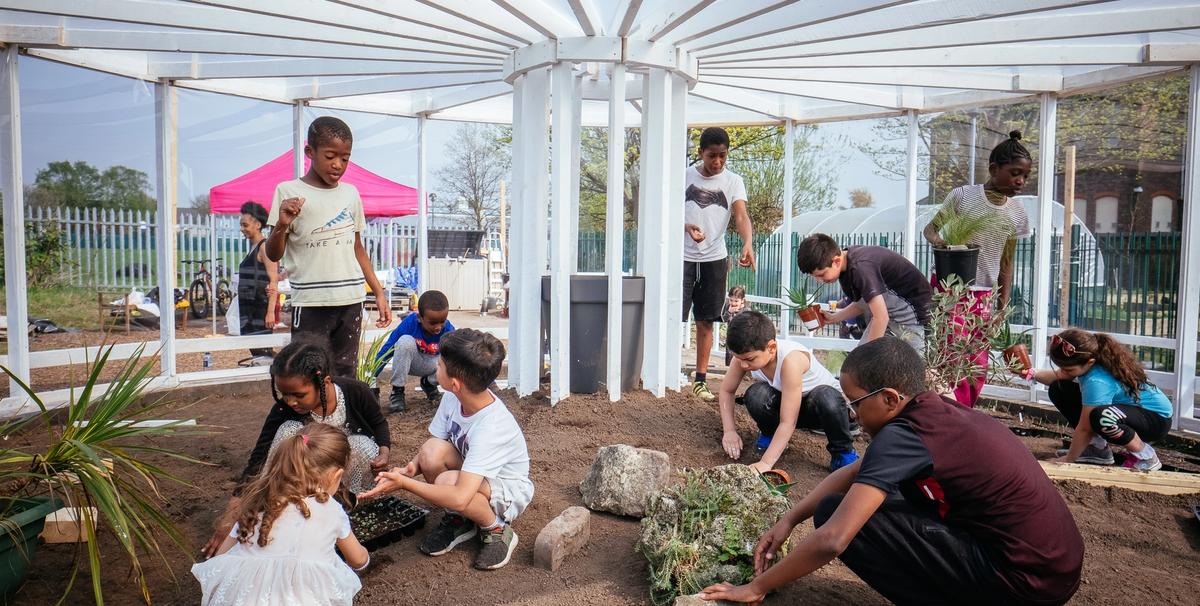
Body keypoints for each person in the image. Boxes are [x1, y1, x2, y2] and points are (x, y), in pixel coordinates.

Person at [701, 337, 1084, 606]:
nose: (852, 414)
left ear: (889, 398)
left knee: (837, 515)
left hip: (1024, 584)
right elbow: (853, 474)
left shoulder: (904, 435)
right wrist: (789, 518)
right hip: (1053, 570)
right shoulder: (932, 412)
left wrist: (755, 587)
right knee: (865, 498)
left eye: (855, 403)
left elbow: (834, 539)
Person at [361, 329, 531, 571]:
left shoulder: (492, 426)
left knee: (448, 483)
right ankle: (460, 518)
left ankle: (496, 528)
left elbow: (461, 494)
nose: (435, 367)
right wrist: (412, 468)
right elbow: (436, 445)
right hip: (478, 474)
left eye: (439, 364)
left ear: (455, 383)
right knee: (431, 451)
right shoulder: (455, 397)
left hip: (507, 490)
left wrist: (403, 484)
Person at [201, 342, 390, 557]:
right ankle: (285, 510)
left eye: (299, 395)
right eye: (284, 394)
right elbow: (259, 459)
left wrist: (383, 451)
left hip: (343, 473)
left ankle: (352, 507)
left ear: (324, 382)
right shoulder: (283, 411)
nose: (290, 402)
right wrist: (232, 518)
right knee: (288, 431)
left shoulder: (356, 391)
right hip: (306, 480)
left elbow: (379, 423)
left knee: (362, 445)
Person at [265, 116, 391, 379]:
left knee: (345, 372)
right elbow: (273, 254)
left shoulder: (351, 194)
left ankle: (340, 420)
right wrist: (281, 224)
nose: (338, 164)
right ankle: (310, 421)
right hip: (311, 302)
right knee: (306, 372)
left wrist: (378, 292)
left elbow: (357, 248)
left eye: (345, 158)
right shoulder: (288, 191)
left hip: (351, 300)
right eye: (330, 156)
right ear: (310, 152)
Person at [192, 424, 368, 606]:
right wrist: (362, 558)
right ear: (336, 475)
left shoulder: (257, 501)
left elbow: (222, 556)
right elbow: (358, 560)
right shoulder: (331, 510)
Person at [924, 131, 1033, 407]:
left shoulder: (1017, 213)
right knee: (950, 354)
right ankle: (947, 410)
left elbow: (1006, 264)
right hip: (951, 290)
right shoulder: (963, 196)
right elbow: (931, 230)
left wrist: (1001, 308)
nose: (1020, 181)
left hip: (984, 296)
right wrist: (945, 246)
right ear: (994, 169)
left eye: (1025, 176)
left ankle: (964, 413)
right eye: (1014, 173)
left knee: (977, 361)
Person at [718, 311, 859, 472]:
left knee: (826, 397)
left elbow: (788, 421)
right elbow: (727, 391)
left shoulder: (791, 360)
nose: (743, 365)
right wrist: (729, 431)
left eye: (749, 359)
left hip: (824, 412)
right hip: (789, 405)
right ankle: (770, 435)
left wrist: (765, 464)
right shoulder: (744, 357)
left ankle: (843, 452)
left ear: (771, 347)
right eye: (739, 358)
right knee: (756, 394)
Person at [1031, 328, 1173, 472]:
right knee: (1059, 388)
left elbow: (1085, 428)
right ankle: (1095, 449)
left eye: (1069, 370)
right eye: (1062, 368)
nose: (1064, 372)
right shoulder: (1091, 360)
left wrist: (1069, 459)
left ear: (1089, 362)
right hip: (1131, 412)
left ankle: (1146, 457)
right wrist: (1031, 374)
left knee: (1102, 417)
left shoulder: (1097, 381)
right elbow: (1058, 377)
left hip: (1155, 420)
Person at [683, 126, 756, 402]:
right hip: (682, 257)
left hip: (714, 258)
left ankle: (700, 380)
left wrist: (747, 242)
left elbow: (740, 215)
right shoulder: (684, 176)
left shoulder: (733, 181)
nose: (717, 162)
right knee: (671, 316)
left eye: (722, 156)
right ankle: (663, 372)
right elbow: (667, 210)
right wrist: (686, 226)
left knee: (705, 321)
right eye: (712, 156)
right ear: (701, 153)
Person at [796, 233, 931, 351]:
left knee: (918, 371)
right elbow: (865, 302)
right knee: (856, 369)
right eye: (815, 277)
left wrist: (867, 357)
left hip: (914, 317)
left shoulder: (860, 268)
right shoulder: (847, 267)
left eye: (821, 274)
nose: (819, 281)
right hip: (891, 316)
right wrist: (834, 317)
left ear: (836, 261)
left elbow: (881, 317)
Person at [375, 290, 455, 414]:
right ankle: (397, 392)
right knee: (404, 341)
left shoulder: (448, 329)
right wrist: (370, 375)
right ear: (420, 317)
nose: (438, 327)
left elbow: (462, 354)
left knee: (454, 356)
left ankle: (429, 383)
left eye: (442, 321)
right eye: (433, 323)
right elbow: (388, 348)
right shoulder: (410, 323)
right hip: (412, 363)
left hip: (434, 366)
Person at [237, 201, 280, 363]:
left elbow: (273, 281)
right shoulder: (253, 247)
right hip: (248, 308)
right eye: (241, 225)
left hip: (259, 309)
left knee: (262, 351)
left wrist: (270, 313)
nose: (242, 228)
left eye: (245, 225)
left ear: (258, 225)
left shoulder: (264, 247)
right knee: (256, 349)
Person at [720, 284, 747, 367]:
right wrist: (729, 312)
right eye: (731, 300)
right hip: (730, 335)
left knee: (741, 354)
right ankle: (728, 370)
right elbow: (723, 319)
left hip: (742, 337)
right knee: (729, 353)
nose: (733, 303)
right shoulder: (728, 307)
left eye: (736, 301)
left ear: (742, 300)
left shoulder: (745, 310)